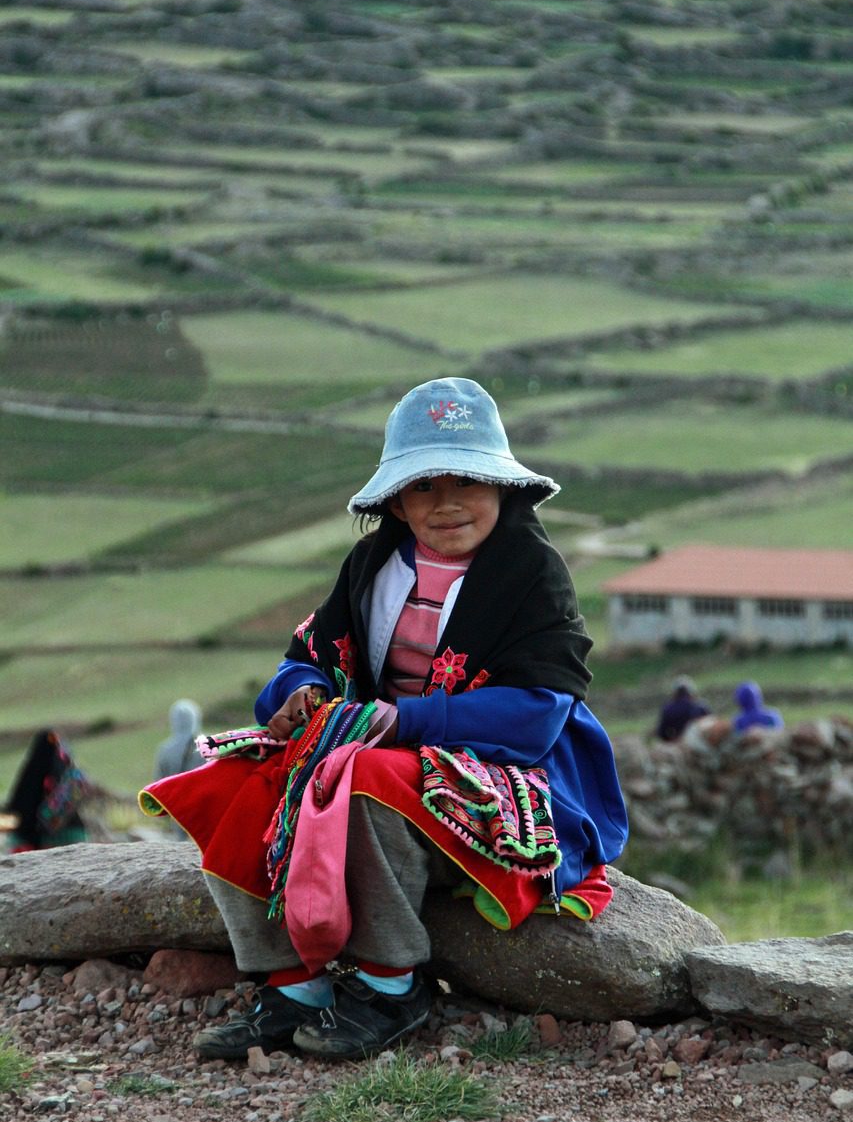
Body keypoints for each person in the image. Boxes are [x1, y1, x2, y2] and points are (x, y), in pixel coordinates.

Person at [141, 377, 628, 1062]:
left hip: (506, 772)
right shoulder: (373, 563)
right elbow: (307, 655)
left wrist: (402, 721)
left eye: (468, 479)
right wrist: (302, 693)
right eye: (424, 486)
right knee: (231, 778)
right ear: (396, 499)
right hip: (376, 746)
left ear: (503, 487)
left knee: (362, 773)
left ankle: (390, 982)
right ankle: (290, 982)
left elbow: (537, 714)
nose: (447, 501)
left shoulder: (531, 573)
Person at [3, 729, 93, 853]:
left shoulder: (32, 773)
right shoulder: (67, 770)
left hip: (38, 837)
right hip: (72, 831)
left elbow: (19, 809)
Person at [153, 699, 204, 838]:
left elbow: (158, 782)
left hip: (177, 806)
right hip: (203, 805)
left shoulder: (164, 750)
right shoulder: (208, 747)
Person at [655, 675, 710, 742]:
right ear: (691, 692)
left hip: (680, 743)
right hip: (703, 741)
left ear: (675, 693)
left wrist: (671, 739)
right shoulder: (701, 705)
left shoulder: (668, 709)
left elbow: (662, 732)